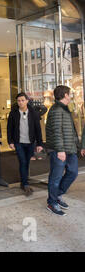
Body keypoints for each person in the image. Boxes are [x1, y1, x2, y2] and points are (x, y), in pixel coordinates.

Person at [45, 85, 79, 216]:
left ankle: (57, 195)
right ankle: (51, 202)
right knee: (55, 177)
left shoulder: (64, 109)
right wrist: (60, 150)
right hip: (59, 150)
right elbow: (56, 131)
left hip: (70, 149)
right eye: (69, 94)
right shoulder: (56, 110)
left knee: (73, 172)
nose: (70, 96)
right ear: (65, 95)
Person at [7, 93, 43, 196]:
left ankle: (23, 182)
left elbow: (38, 129)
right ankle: (26, 184)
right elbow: (9, 128)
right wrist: (10, 142)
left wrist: (39, 143)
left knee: (26, 162)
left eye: (23, 100)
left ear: (27, 101)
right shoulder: (13, 113)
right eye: (19, 101)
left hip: (30, 142)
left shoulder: (33, 113)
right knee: (23, 162)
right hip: (19, 142)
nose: (21, 102)